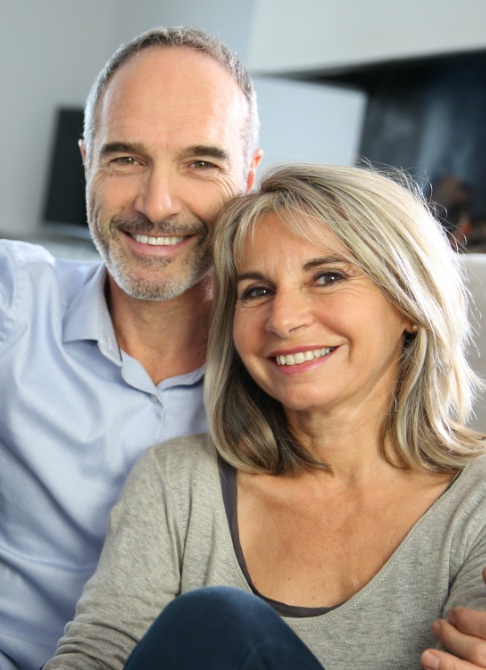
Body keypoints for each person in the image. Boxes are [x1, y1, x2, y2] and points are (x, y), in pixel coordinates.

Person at [44, 163, 486, 669]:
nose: (282, 319)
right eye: (256, 291)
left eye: (327, 277)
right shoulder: (179, 484)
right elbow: (98, 654)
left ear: (409, 303)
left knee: (218, 616)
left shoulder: (478, 500)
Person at [0, 27, 262, 670]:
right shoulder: (15, 300)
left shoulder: (295, 363)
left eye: (201, 162)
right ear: (87, 160)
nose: (156, 204)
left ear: (250, 176)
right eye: (125, 159)